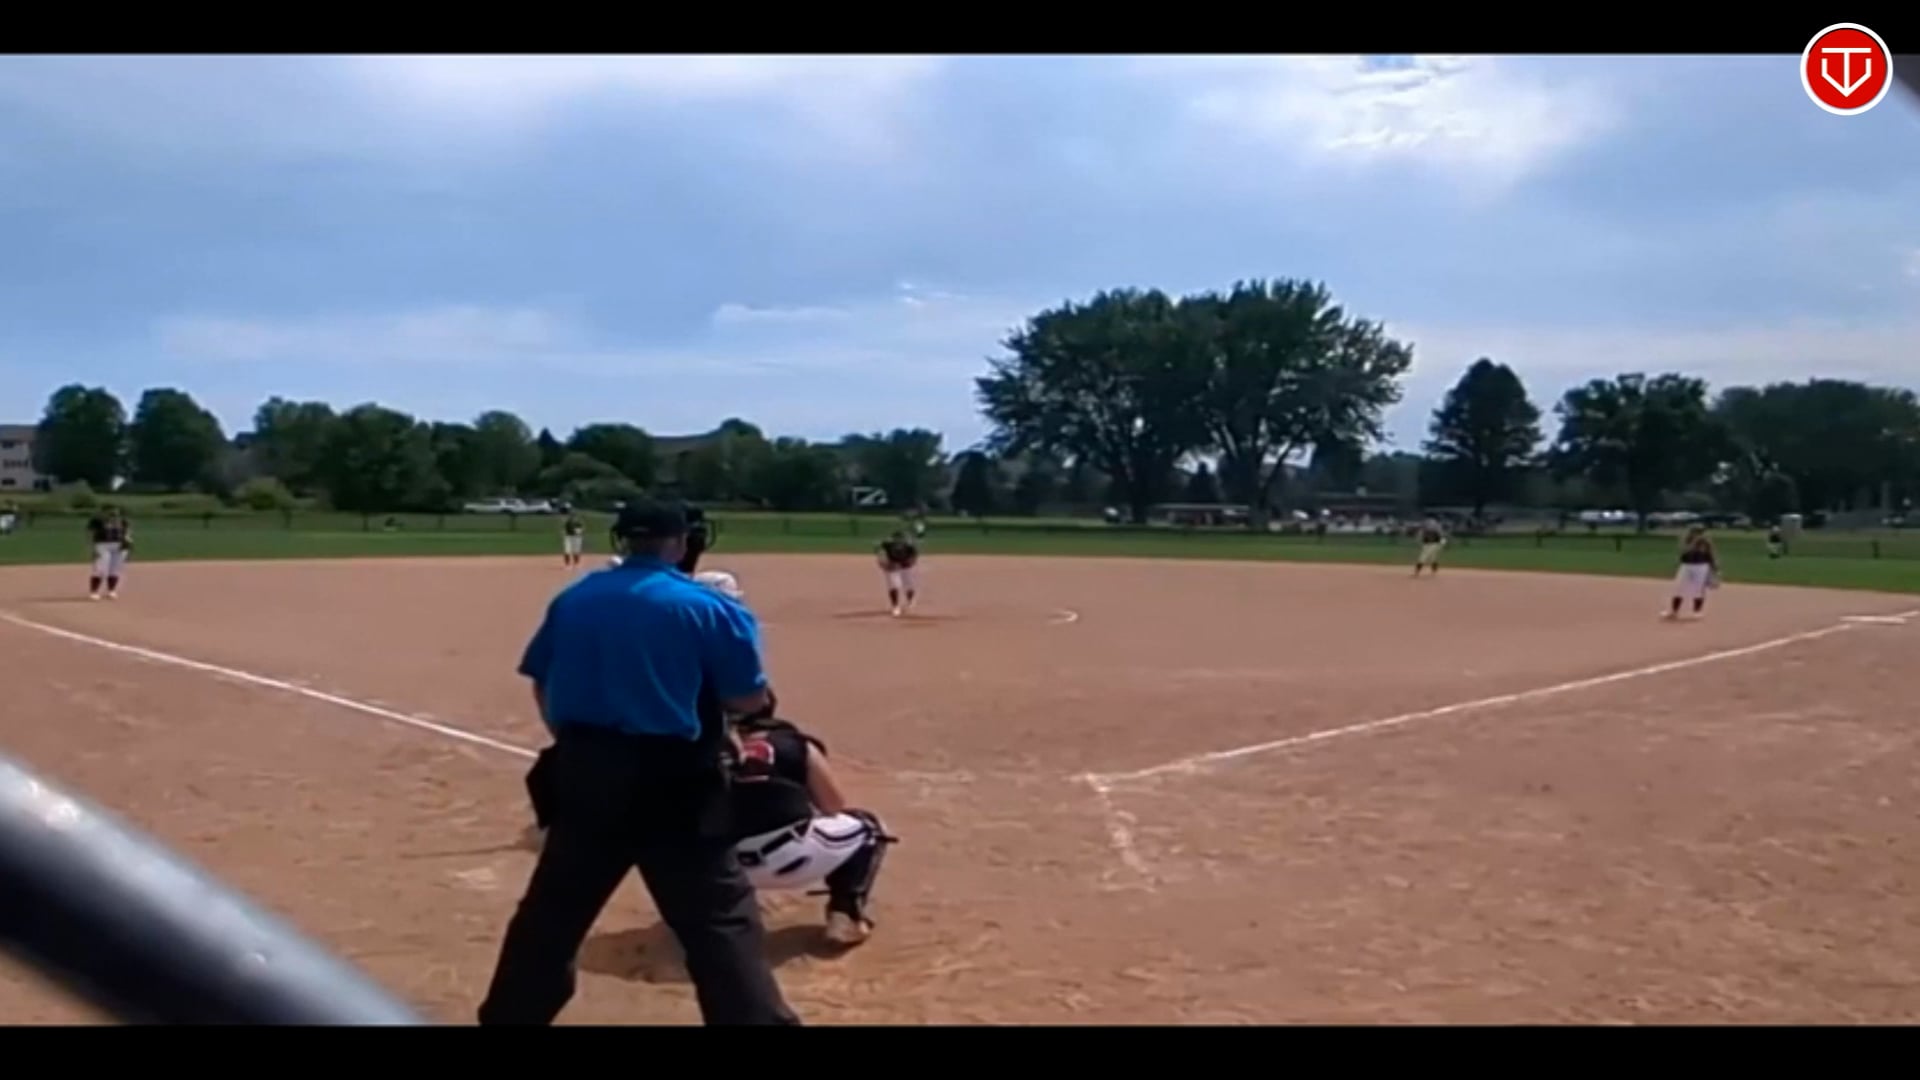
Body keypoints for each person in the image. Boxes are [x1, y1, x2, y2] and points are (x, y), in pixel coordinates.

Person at [478, 497, 798, 1026]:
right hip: (676, 782)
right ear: (680, 542)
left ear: (622, 540)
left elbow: (542, 682)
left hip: (586, 775)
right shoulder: (708, 607)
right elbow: (747, 698)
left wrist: (578, 745)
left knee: (551, 918)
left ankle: (509, 1018)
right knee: (719, 923)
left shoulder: (574, 600)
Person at [726, 701, 892, 949]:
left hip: (725, 868)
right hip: (792, 860)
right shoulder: (794, 744)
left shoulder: (709, 752)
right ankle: (845, 916)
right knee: (868, 826)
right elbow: (833, 805)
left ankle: (717, 922)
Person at [1665, 524, 1719, 620]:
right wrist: (1694, 542)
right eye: (1696, 531)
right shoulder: (1686, 540)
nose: (1699, 534)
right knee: (1679, 588)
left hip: (1701, 566)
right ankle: (1674, 611)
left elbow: (1711, 554)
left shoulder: (1706, 542)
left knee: (1698, 589)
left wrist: (1715, 568)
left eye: (1700, 532)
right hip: (1686, 566)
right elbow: (1684, 551)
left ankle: (1697, 611)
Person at [86, 505, 132, 600]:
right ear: (104, 511)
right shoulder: (97, 520)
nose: (113, 513)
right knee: (100, 568)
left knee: (115, 569)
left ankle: (111, 590)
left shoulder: (123, 521)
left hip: (119, 546)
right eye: (110, 511)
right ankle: (94, 591)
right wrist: (92, 548)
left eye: (115, 511)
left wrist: (128, 542)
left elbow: (127, 533)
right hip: (102, 545)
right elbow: (89, 533)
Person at [875, 529, 920, 617]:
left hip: (905, 565)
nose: (898, 541)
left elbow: (914, 556)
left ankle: (910, 600)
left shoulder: (909, 545)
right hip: (892, 565)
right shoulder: (887, 544)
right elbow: (879, 551)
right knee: (893, 585)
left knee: (909, 586)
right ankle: (895, 606)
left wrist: (910, 562)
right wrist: (882, 562)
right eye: (896, 539)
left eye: (900, 539)